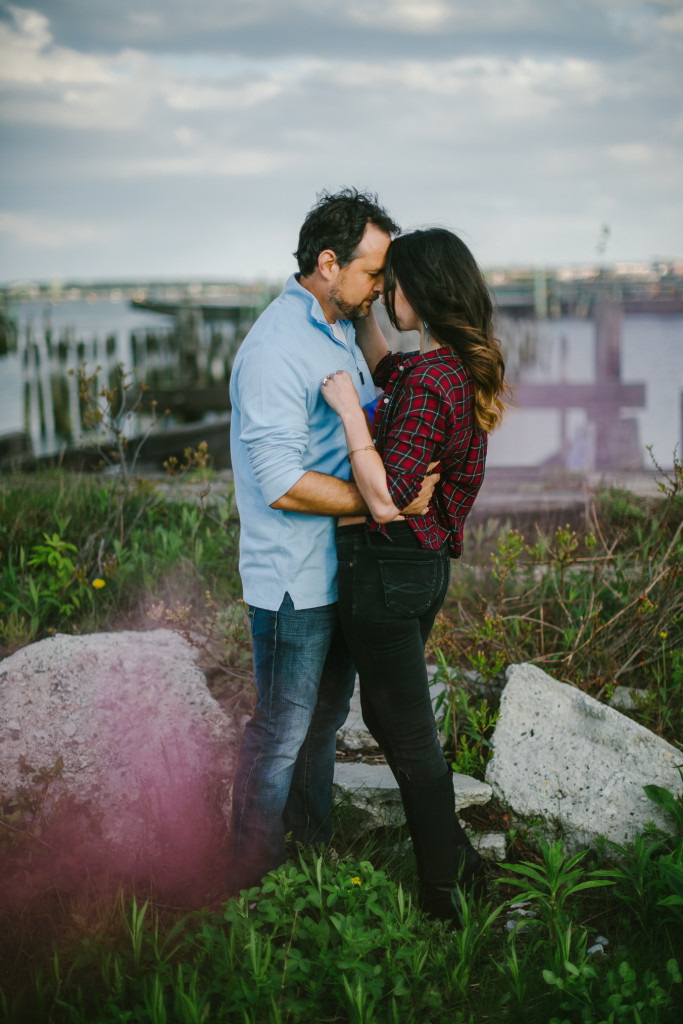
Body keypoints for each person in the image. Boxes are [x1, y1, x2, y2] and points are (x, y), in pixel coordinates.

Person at [227, 190, 438, 892]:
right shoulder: (275, 349)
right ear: (327, 263)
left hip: (338, 571)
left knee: (319, 729)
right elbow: (282, 482)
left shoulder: (337, 324)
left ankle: (306, 862)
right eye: (373, 273)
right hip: (291, 578)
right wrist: (384, 505)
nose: (380, 287)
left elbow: (377, 398)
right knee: (281, 735)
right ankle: (251, 881)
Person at [320, 227, 508, 923]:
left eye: (388, 282)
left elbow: (391, 493)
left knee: (407, 734)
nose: (382, 291)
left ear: (420, 292)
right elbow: (387, 369)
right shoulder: (451, 366)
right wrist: (363, 312)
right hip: (422, 570)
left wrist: (347, 414)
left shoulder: (432, 380)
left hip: (387, 569)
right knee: (389, 717)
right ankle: (456, 859)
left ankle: (442, 894)